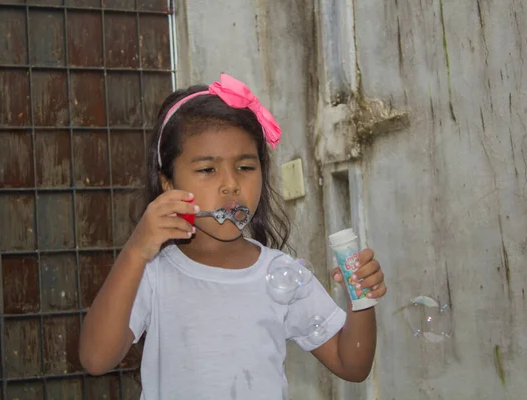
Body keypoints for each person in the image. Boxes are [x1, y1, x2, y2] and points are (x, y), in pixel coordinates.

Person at [79, 73, 387, 399]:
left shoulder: (281, 272)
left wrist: (361, 300)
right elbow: (96, 358)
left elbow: (351, 365)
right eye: (207, 169)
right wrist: (135, 252)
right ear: (168, 183)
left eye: (245, 167)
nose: (231, 185)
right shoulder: (153, 272)